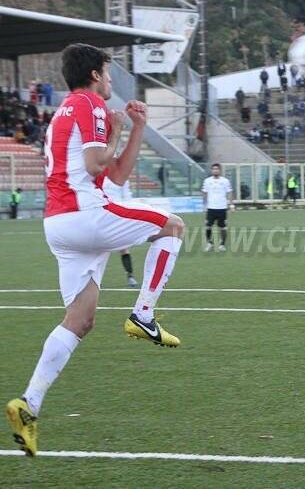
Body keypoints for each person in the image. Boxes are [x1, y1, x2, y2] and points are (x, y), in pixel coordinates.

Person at [6, 43, 184, 457]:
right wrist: (119, 128)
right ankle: (143, 315)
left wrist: (136, 127)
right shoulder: (89, 104)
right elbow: (94, 164)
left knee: (80, 320)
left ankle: (28, 405)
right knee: (172, 226)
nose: (109, 80)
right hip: (85, 215)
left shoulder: (62, 112)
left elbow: (114, 171)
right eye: (107, 72)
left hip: (59, 224)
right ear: (93, 76)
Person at [102, 177, 138, 287]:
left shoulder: (122, 176)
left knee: (124, 247)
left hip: (119, 213)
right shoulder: (100, 175)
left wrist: (129, 211)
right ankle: (93, 278)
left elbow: (126, 195)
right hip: (103, 212)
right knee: (100, 248)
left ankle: (130, 276)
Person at [202, 163, 233, 252]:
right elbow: (204, 193)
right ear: (211, 170)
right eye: (214, 169)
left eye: (217, 169)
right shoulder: (207, 181)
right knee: (208, 226)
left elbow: (229, 192)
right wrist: (204, 205)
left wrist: (231, 204)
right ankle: (209, 243)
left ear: (220, 170)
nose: (215, 170)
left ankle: (222, 245)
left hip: (222, 207)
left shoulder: (225, 181)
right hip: (211, 208)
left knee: (223, 227)